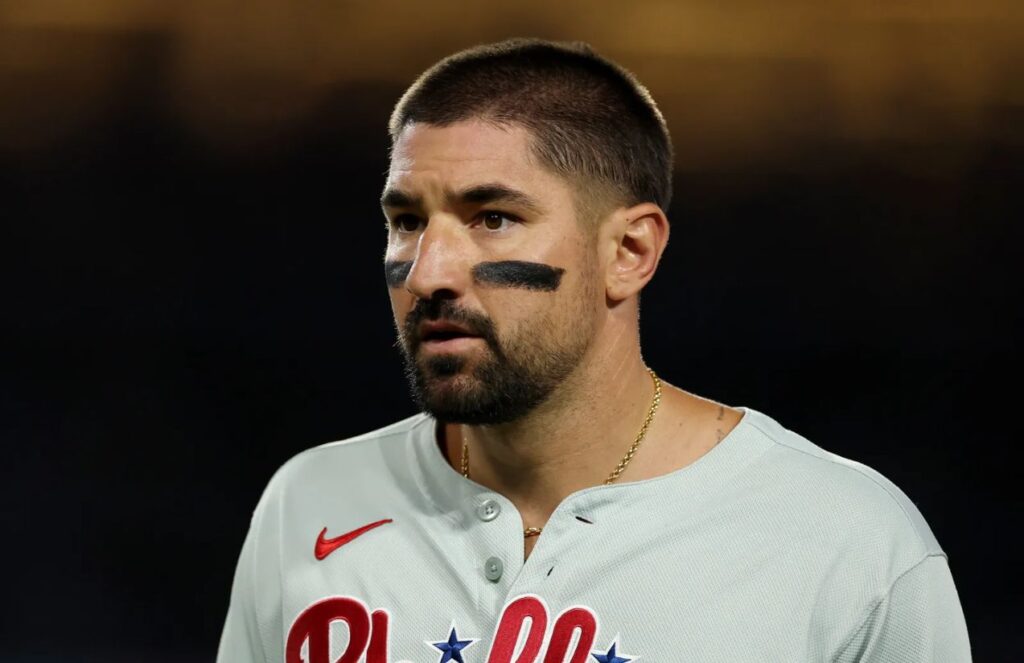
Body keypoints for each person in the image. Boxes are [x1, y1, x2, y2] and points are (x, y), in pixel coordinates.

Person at [217, 38, 971, 663]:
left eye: (493, 218)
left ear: (630, 251)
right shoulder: (308, 501)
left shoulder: (849, 544)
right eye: (408, 221)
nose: (428, 272)